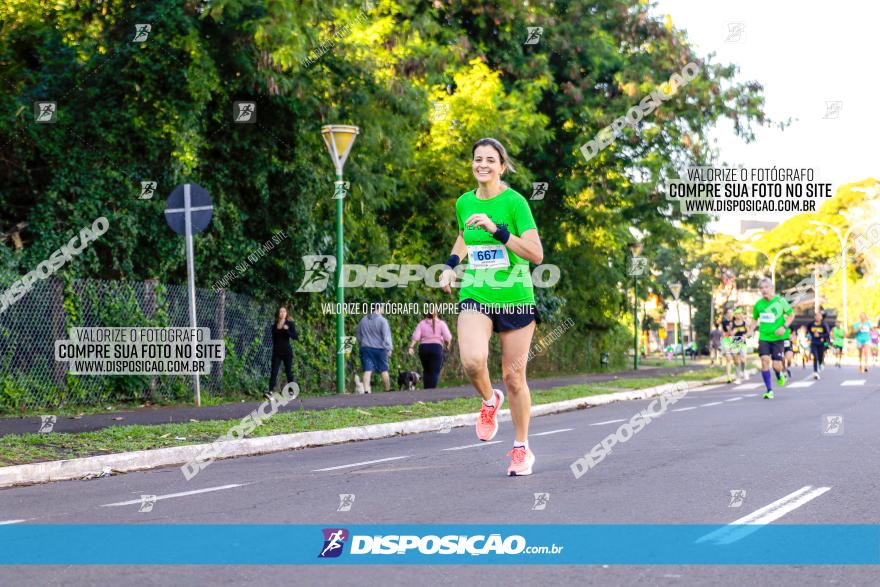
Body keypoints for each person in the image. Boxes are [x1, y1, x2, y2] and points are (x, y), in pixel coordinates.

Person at [439, 137, 543, 476]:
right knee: (471, 360)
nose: (482, 164)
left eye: (490, 159)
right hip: (477, 293)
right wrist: (452, 264)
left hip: (515, 297)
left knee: (514, 378)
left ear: (501, 166)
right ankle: (488, 401)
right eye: (477, 159)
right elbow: (463, 235)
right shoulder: (464, 203)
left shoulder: (515, 203)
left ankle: (521, 448)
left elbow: (536, 254)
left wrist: (498, 230)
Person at [750, 278, 795, 399]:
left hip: (778, 338)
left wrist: (784, 327)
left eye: (766, 287)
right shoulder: (758, 305)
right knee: (764, 360)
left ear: (772, 288)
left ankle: (780, 374)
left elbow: (791, 315)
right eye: (761, 288)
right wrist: (750, 330)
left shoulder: (780, 301)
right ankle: (769, 390)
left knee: (776, 366)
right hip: (764, 337)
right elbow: (755, 319)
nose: (764, 290)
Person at [407, 311, 453, 388]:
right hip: (436, 348)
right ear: (437, 313)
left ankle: (426, 391)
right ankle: (432, 393)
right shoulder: (441, 323)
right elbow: (448, 337)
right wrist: (447, 346)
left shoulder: (421, 323)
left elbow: (415, 337)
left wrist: (411, 347)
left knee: (426, 370)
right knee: (434, 372)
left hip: (423, 348)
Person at [356, 306, 393, 393]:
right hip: (380, 349)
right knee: (383, 369)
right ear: (378, 308)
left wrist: (363, 343)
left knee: (367, 370)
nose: (383, 310)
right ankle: (387, 389)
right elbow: (386, 336)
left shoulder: (363, 320)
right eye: (383, 308)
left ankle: (366, 391)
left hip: (366, 348)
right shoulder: (383, 321)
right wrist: (389, 348)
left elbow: (358, 334)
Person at [267, 305, 298, 400]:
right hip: (277, 352)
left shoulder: (290, 324)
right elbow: (273, 339)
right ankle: (270, 392)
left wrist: (287, 330)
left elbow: (295, 337)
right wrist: (274, 349)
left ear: (286, 313)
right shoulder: (274, 326)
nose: (282, 313)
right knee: (274, 372)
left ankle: (291, 391)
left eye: (284, 311)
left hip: (287, 352)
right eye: (281, 311)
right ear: (278, 314)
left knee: (288, 371)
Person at [807, 312, 831, 380]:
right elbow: (808, 330)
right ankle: (815, 372)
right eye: (816, 316)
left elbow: (827, 333)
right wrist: (811, 335)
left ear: (821, 317)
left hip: (821, 343)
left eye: (819, 316)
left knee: (820, 357)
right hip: (814, 343)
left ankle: (821, 363)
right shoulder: (811, 324)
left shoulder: (824, 324)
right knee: (815, 357)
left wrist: (820, 336)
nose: (817, 317)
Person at [729, 308, 750, 383]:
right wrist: (733, 332)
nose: (740, 315)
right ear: (735, 315)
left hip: (742, 342)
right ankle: (738, 378)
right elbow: (730, 334)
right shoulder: (732, 324)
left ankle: (744, 370)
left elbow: (749, 333)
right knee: (736, 360)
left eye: (741, 313)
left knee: (743, 359)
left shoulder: (745, 323)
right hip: (735, 342)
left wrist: (746, 335)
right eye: (739, 313)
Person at [720, 308, 735, 383]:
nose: (730, 314)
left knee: (736, 359)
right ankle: (728, 377)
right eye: (728, 313)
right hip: (727, 339)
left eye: (731, 312)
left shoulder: (736, 320)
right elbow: (726, 331)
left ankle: (738, 373)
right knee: (728, 358)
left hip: (735, 339)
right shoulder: (724, 322)